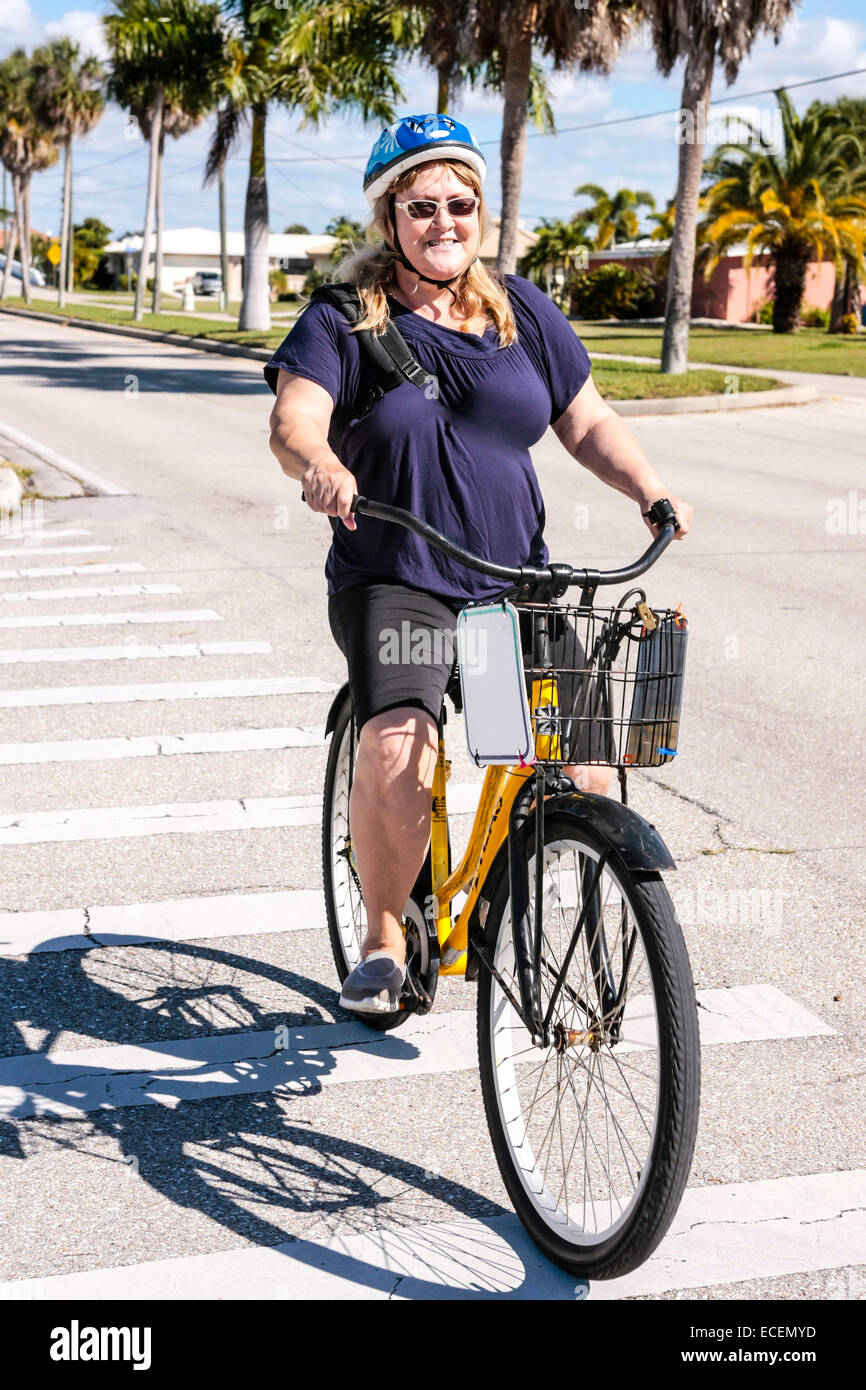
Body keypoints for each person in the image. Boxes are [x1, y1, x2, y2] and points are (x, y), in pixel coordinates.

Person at [266, 113, 693, 1015]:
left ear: (480, 211)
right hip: (401, 579)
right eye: (422, 205)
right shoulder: (343, 320)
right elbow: (294, 418)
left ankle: (566, 897)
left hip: (511, 587)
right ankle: (386, 938)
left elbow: (588, 423)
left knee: (580, 764)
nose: (444, 221)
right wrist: (322, 464)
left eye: (461, 202)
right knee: (398, 747)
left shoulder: (521, 309)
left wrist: (650, 489)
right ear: (390, 218)